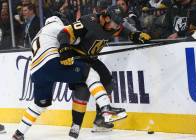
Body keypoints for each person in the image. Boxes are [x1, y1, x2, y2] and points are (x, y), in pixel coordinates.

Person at [11, 13, 134, 140]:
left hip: (36, 72)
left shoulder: (39, 34)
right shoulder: (56, 26)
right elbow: (73, 39)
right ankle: (105, 107)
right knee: (90, 73)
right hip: (51, 63)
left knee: (39, 104)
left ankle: (18, 134)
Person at [59, 5, 151, 139]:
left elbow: (124, 31)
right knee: (82, 90)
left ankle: (100, 120)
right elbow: (64, 33)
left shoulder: (113, 25)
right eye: (115, 23)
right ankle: (76, 125)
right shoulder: (88, 21)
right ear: (106, 18)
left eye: (118, 23)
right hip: (78, 58)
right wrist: (64, 50)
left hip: (91, 58)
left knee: (108, 82)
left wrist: (136, 35)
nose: (117, 27)